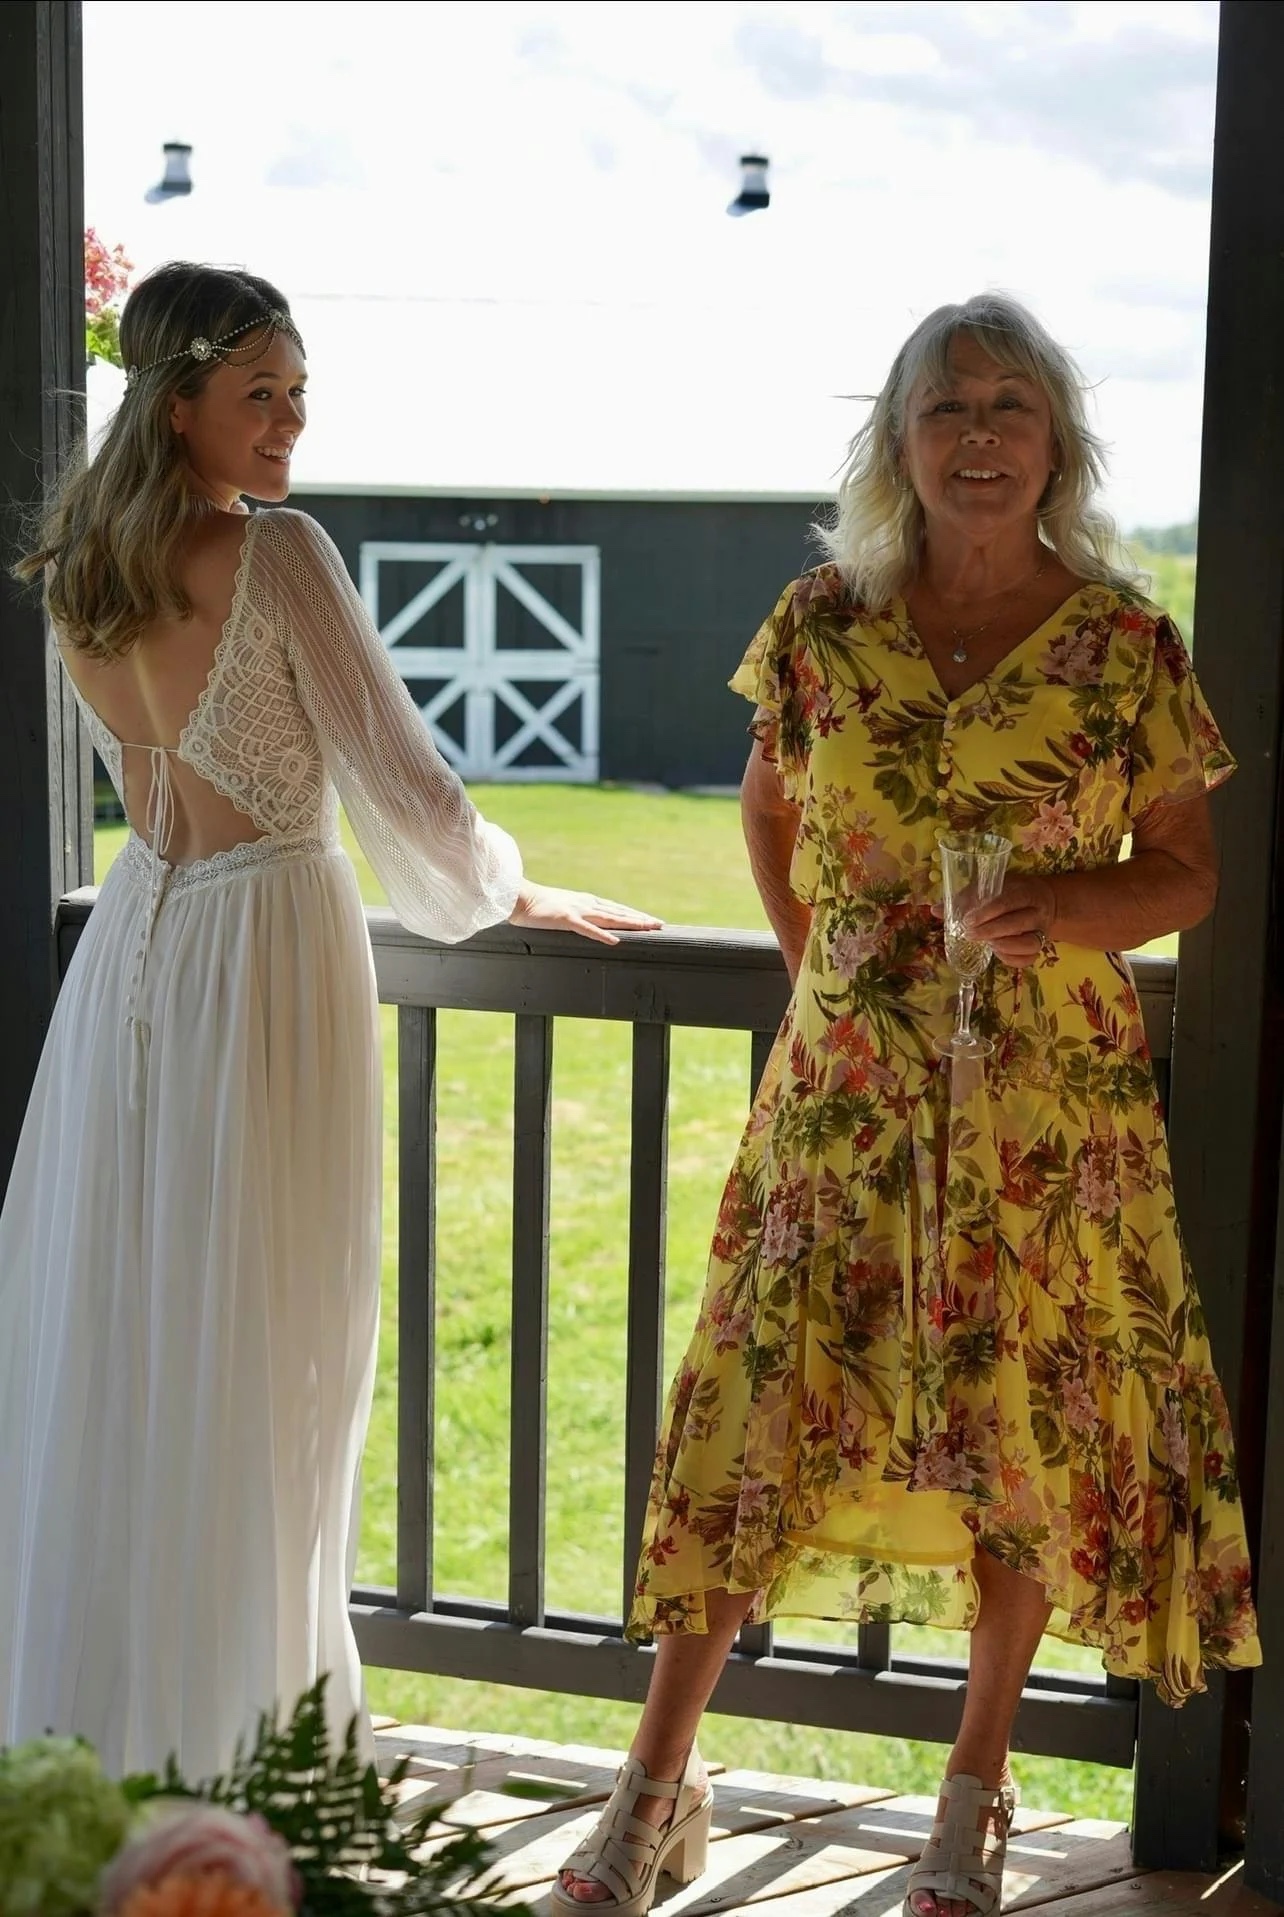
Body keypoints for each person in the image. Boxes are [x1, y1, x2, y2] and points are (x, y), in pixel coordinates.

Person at [553, 293, 1261, 1917]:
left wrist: (1064, 915)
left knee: (1012, 1424)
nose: (983, 435)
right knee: (753, 1413)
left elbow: (1189, 871)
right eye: (948, 410)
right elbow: (767, 812)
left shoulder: (1125, 642)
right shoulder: (818, 624)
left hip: (1044, 1114)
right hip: (847, 1097)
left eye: (1013, 407)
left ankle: (973, 1794)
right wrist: (844, 981)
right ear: (900, 444)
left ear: (1058, 444)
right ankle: (655, 1786)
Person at [1, 261, 659, 1782]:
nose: (293, 419)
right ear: (182, 405)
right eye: (263, 393)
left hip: (134, 962)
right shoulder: (277, 552)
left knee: (134, 1345)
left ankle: (124, 1730)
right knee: (266, 1356)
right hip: (264, 958)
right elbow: (404, 785)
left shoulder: (84, 567)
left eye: (300, 391)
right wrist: (505, 884)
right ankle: (244, 1744)